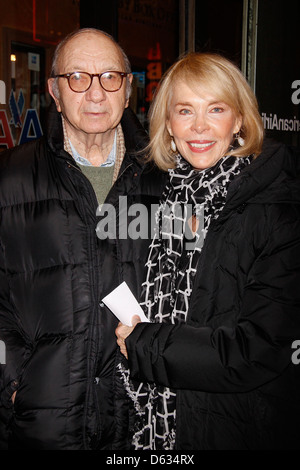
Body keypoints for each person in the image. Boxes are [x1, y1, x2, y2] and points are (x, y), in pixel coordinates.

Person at [115, 52, 300, 450]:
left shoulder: (278, 209)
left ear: (239, 120)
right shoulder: (158, 200)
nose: (199, 126)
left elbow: (260, 349)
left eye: (215, 109)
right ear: (168, 123)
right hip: (155, 432)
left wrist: (145, 344)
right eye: (184, 111)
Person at [0, 27, 163, 450]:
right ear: (55, 91)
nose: (95, 93)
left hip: (140, 426)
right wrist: (14, 380)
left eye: (110, 77)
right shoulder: (9, 178)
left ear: (128, 90)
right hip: (41, 426)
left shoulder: (166, 180)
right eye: (77, 77)